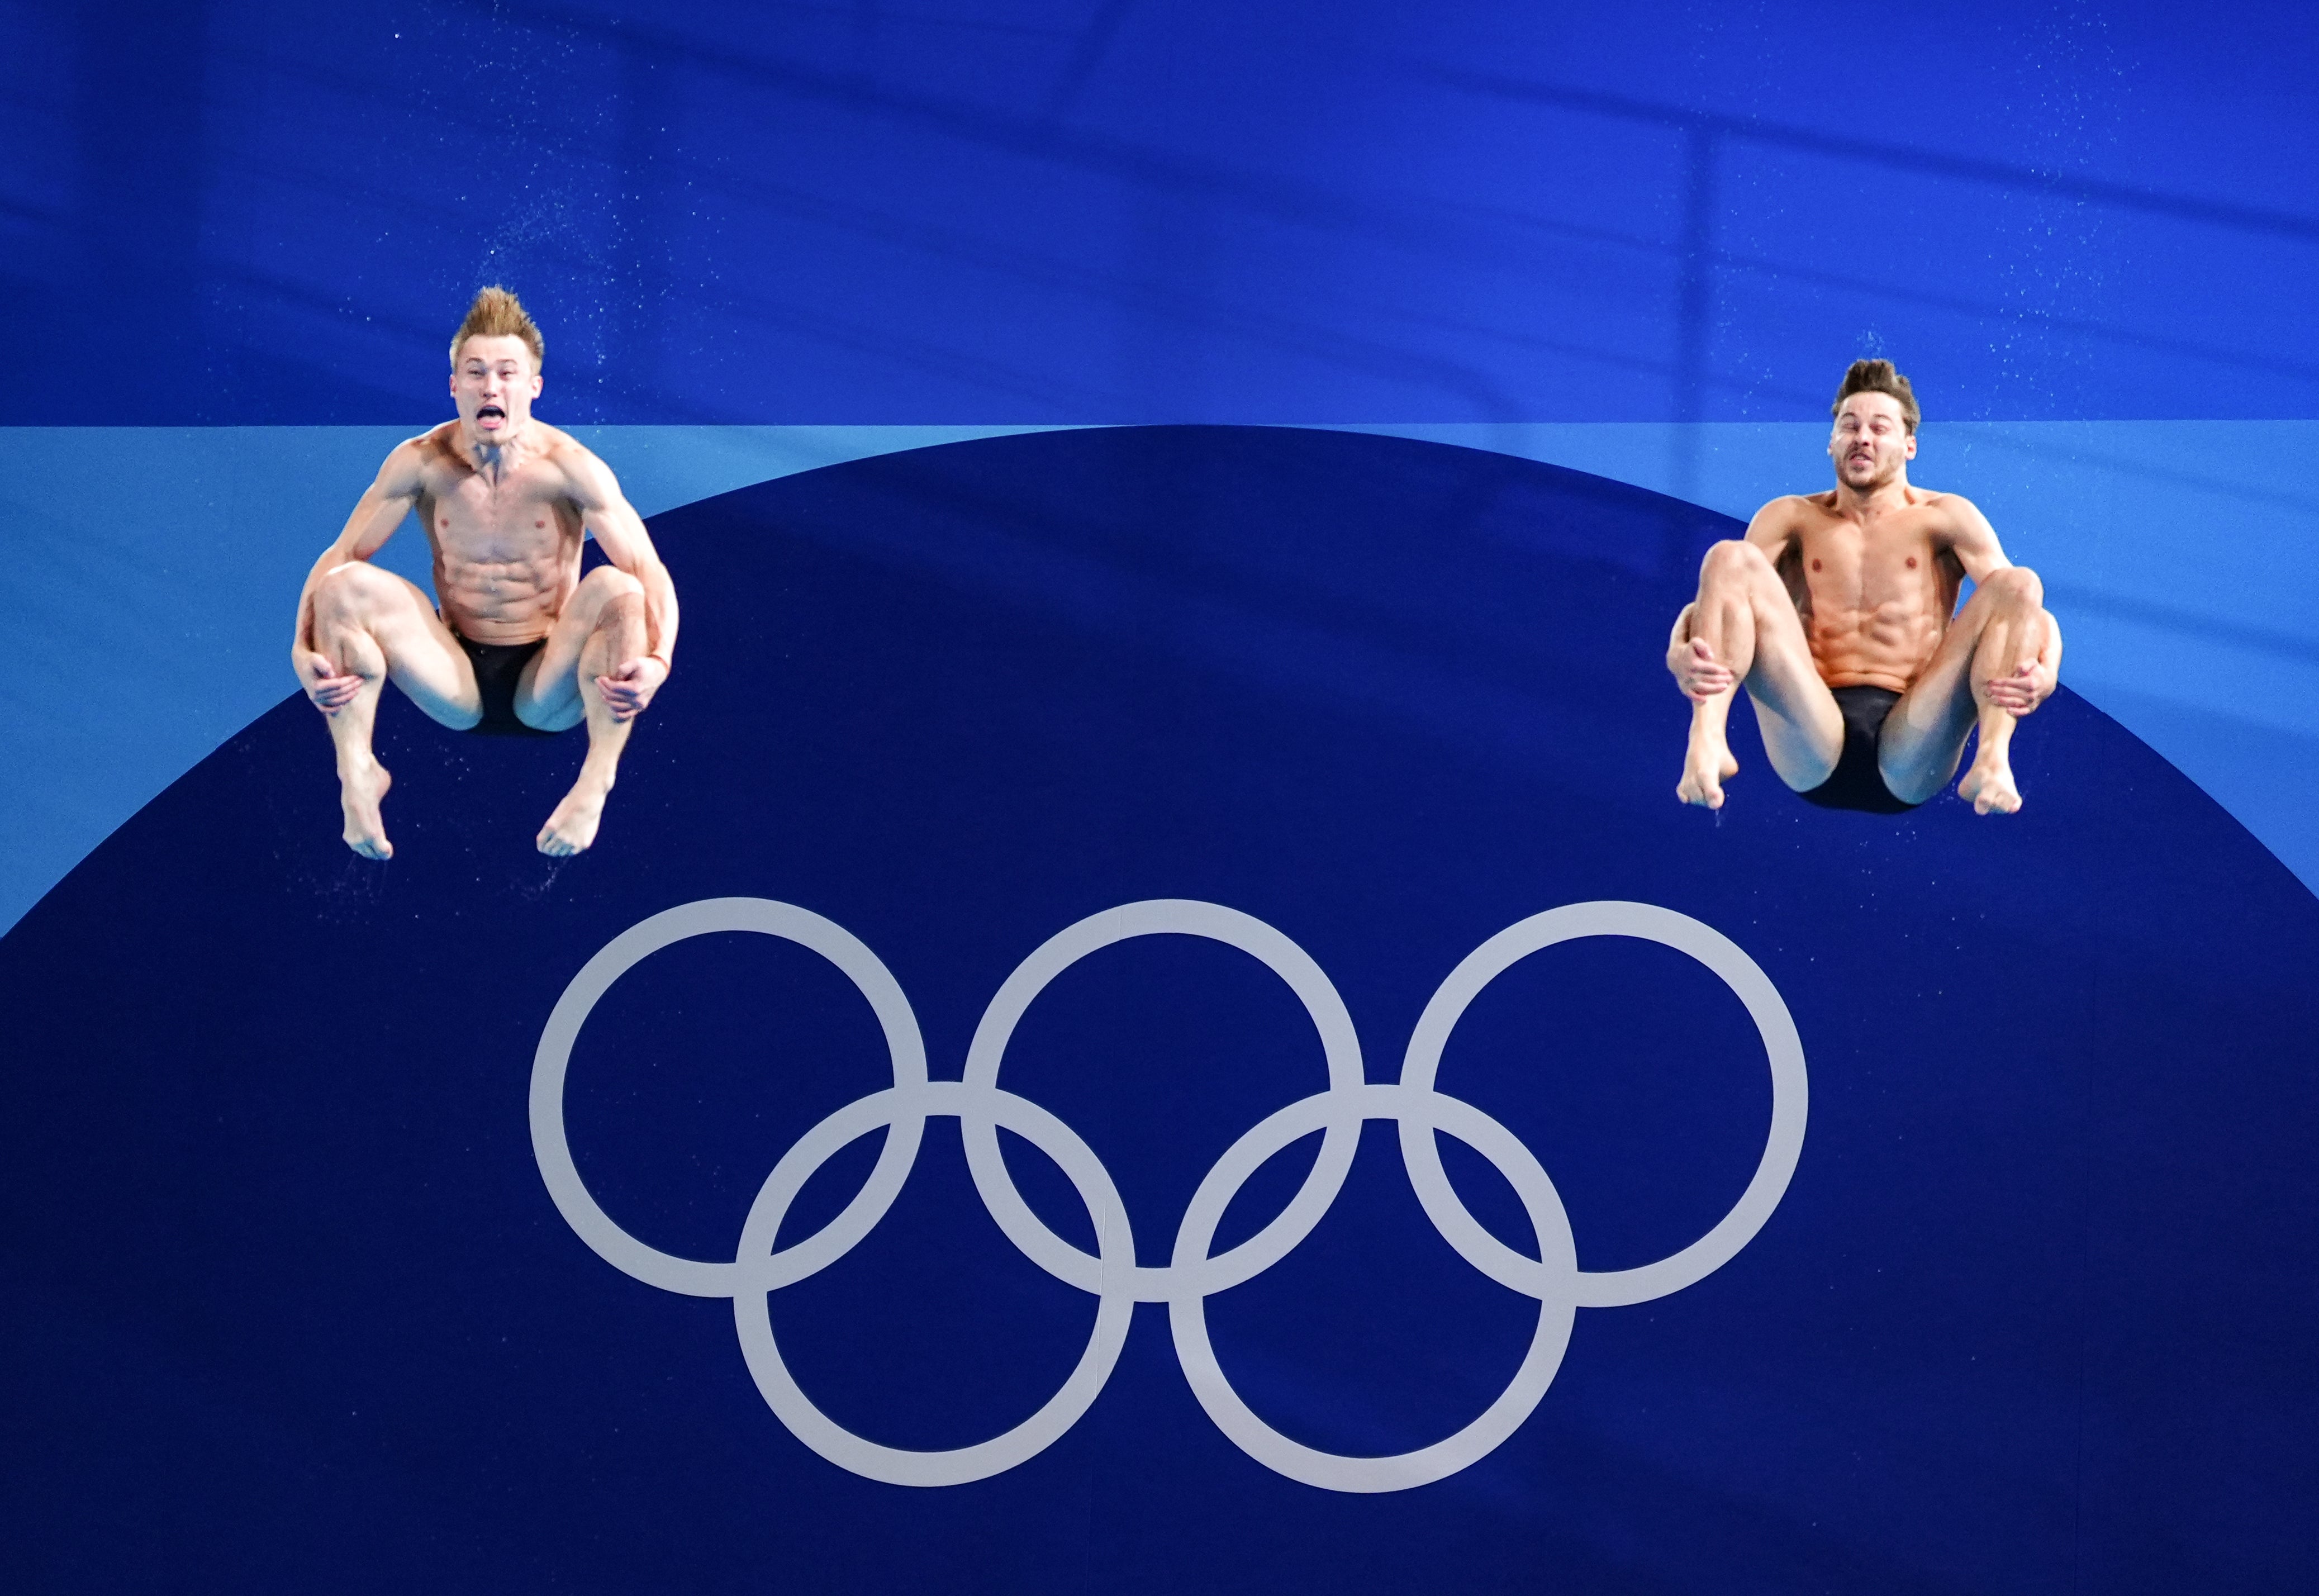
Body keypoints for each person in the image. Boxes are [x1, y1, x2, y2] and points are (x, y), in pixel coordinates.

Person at [290, 287, 678, 859]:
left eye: (506, 373)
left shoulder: (571, 469)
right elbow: (339, 554)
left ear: (533, 388)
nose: (490, 387)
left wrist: (658, 663)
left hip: (549, 680)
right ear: (454, 386)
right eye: (475, 373)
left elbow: (650, 570)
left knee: (619, 590)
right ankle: (356, 773)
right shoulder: (420, 461)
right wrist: (301, 651)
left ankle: (595, 784)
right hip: (455, 677)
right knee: (341, 587)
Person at [1668, 358, 2060, 815]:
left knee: (2019, 582)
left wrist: (2047, 672)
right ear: (1831, 442)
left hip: (1916, 738)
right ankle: (1707, 738)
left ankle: (1993, 759)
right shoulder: (1792, 517)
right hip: (1810, 728)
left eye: (1880, 427)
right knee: (1728, 556)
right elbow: (1720, 598)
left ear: (1909, 445)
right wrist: (1679, 649)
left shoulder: (1946, 517)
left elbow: (2025, 611)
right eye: (1849, 426)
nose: (1863, 438)